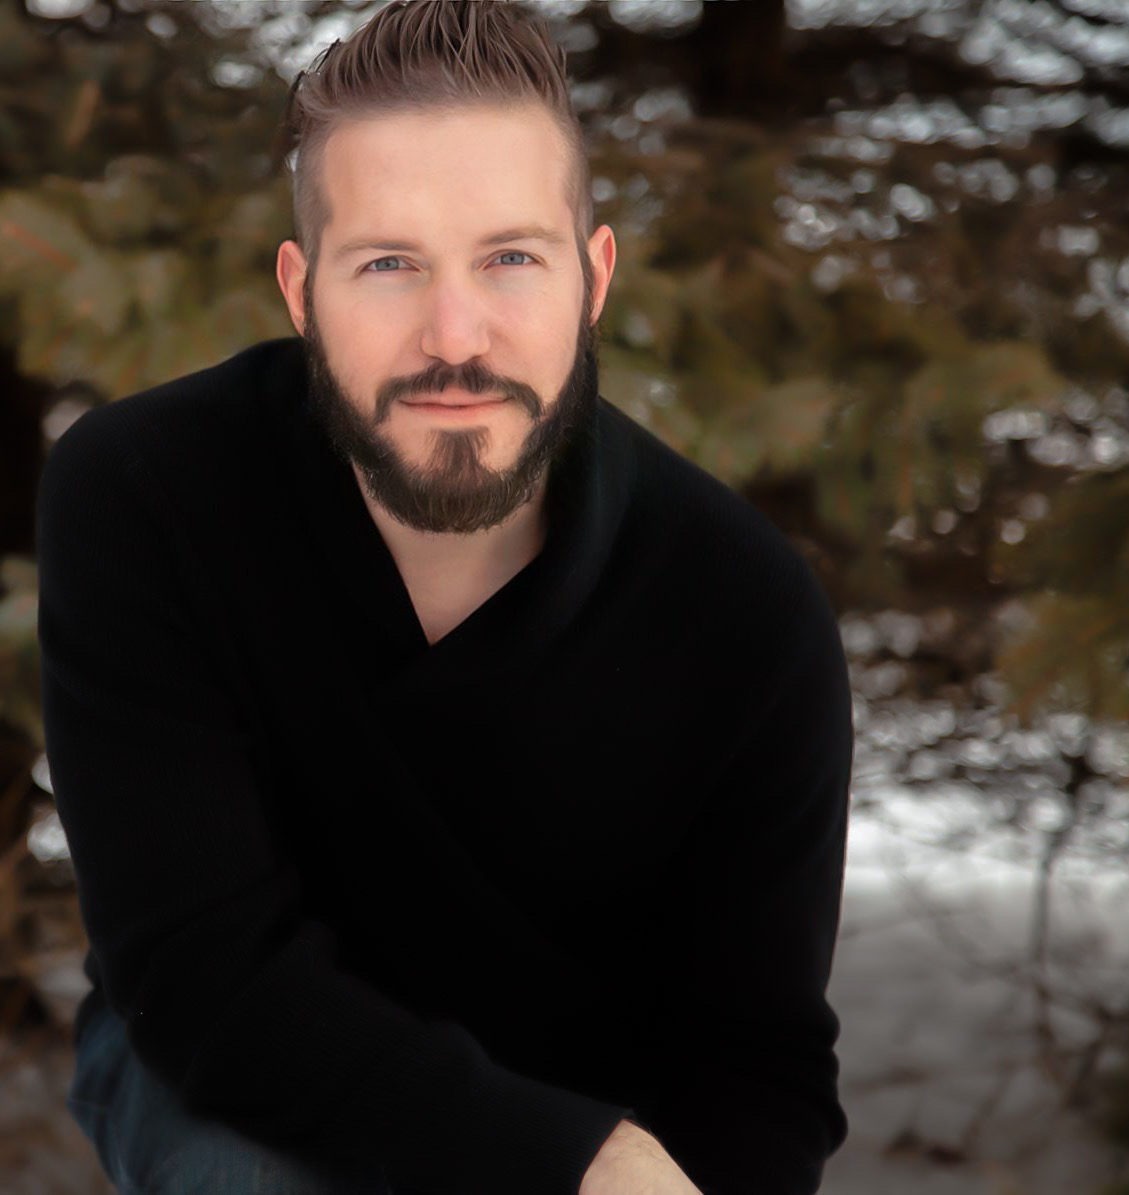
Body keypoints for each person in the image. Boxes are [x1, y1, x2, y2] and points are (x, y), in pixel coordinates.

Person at [36, 2, 853, 1192]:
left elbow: (756, 1064)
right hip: (224, 1064)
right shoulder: (148, 494)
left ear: (594, 277)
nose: (454, 335)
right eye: (388, 265)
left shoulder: (743, 613)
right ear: (300, 289)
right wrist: (574, 1160)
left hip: (578, 1089)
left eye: (510, 257)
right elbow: (204, 978)